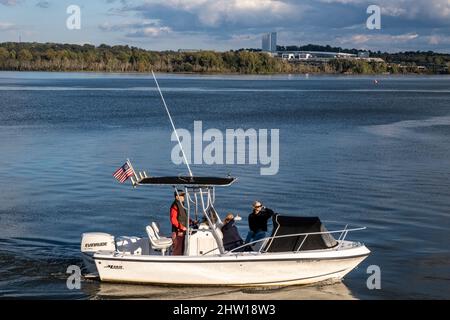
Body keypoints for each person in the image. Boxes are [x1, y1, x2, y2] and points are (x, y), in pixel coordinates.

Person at [169, 190, 188, 255]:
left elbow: (184, 216)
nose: (183, 197)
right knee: (178, 249)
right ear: (177, 197)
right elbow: (173, 220)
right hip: (178, 231)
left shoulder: (182, 205)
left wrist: (192, 221)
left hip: (182, 230)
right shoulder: (175, 206)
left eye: (183, 195)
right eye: (182, 195)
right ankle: (175, 262)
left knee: (182, 248)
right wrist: (182, 227)